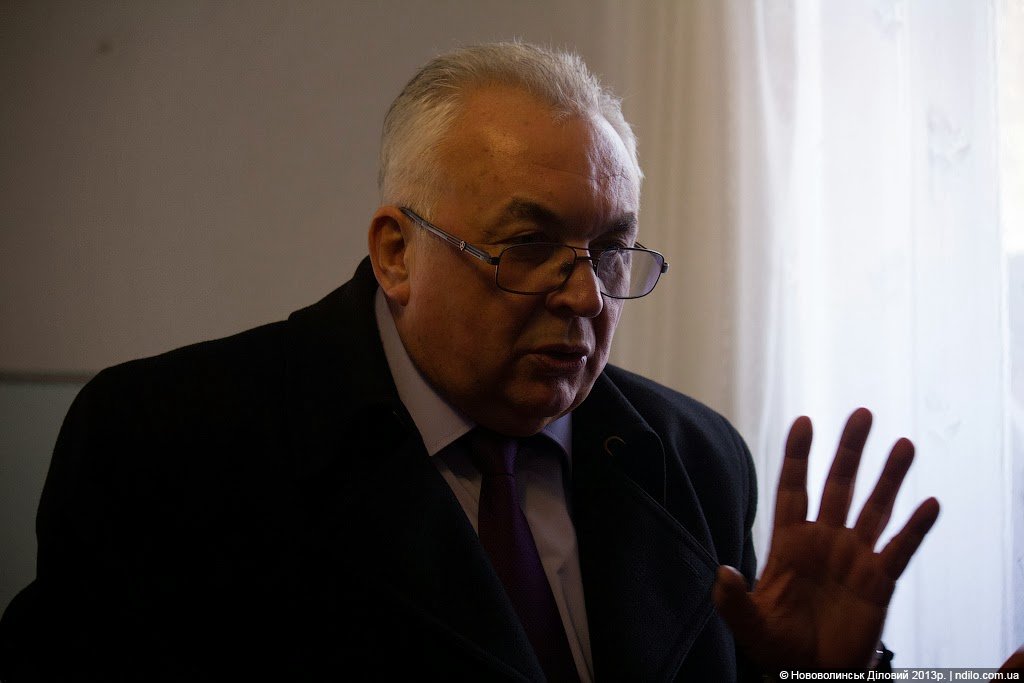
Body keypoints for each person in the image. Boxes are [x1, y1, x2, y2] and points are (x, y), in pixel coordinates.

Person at [0, 42, 939, 681]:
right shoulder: (172, 444)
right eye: (528, 245)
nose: (586, 297)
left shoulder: (695, 458)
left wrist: (825, 676)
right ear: (396, 253)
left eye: (612, 250)